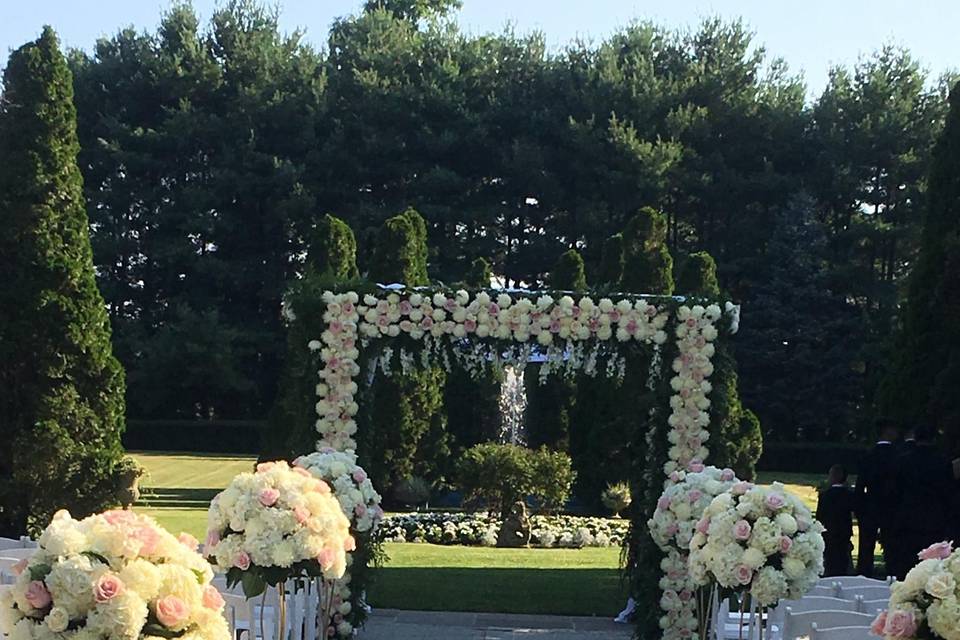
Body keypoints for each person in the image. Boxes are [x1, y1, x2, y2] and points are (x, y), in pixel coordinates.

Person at [889, 423, 955, 579]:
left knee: (906, 568)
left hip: (907, 522)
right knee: (932, 570)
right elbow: (948, 495)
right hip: (934, 523)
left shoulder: (902, 461)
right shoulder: (942, 462)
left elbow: (894, 493)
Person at [854, 419, 900, 577]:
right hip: (892, 507)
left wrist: (859, 508)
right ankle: (892, 575)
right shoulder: (898, 456)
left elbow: (860, 485)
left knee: (866, 547)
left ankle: (863, 575)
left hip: (870, 506)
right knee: (892, 547)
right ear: (888, 431)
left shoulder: (869, 455)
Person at [817, 464, 855, 576]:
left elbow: (820, 516)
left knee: (830, 559)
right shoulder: (849, 495)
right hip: (844, 532)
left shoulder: (824, 496)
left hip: (828, 532)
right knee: (843, 558)